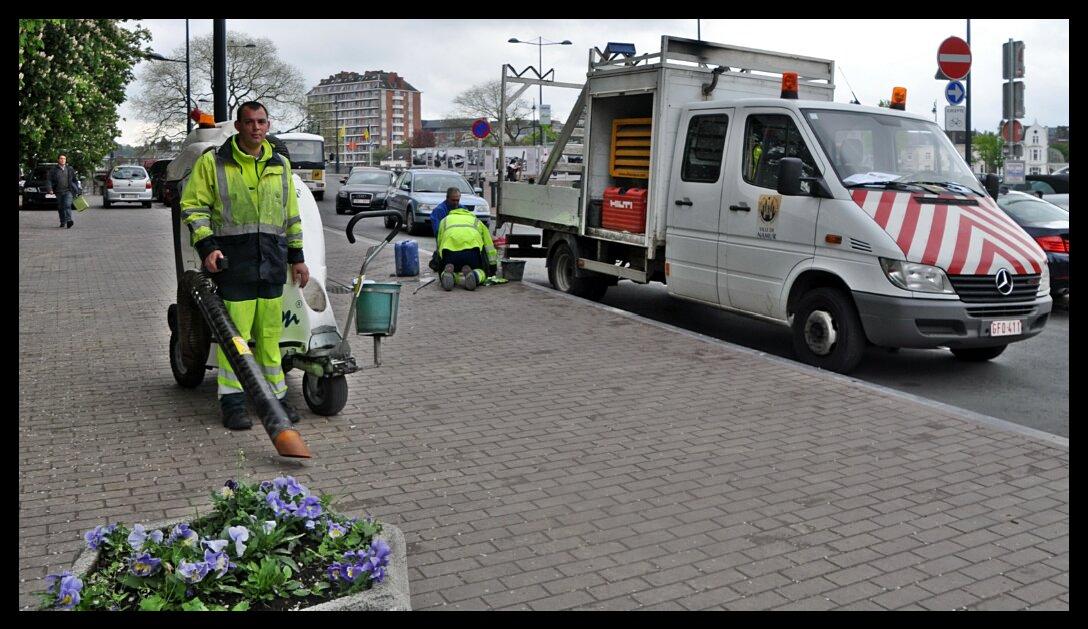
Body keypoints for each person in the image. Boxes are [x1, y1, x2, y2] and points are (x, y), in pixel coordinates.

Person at [179, 101, 309, 430]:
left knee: (269, 335)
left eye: (261, 122)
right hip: (233, 262)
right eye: (249, 122)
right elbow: (193, 207)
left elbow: (291, 216)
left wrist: (297, 257)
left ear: (268, 125)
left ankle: (276, 398)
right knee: (235, 338)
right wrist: (208, 247)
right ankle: (233, 402)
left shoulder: (280, 164)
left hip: (272, 260)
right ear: (238, 126)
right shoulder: (214, 162)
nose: (256, 127)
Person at [436, 207, 497, 291]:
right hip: (471, 254)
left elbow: (439, 242)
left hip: (450, 253)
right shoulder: (476, 221)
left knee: (448, 269)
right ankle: (474, 275)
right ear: (468, 213)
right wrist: (493, 266)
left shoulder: (445, 221)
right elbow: (489, 245)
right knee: (482, 271)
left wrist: (441, 261)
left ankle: (449, 275)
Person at [46, 154, 81, 229]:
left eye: (64, 159)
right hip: (58, 191)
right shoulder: (53, 170)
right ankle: (63, 221)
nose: (63, 160)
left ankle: (69, 220)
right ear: (58, 160)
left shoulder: (70, 169)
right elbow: (49, 180)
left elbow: (75, 180)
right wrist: (50, 189)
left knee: (67, 205)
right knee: (61, 207)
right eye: (61, 158)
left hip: (68, 191)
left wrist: (77, 189)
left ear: (66, 160)